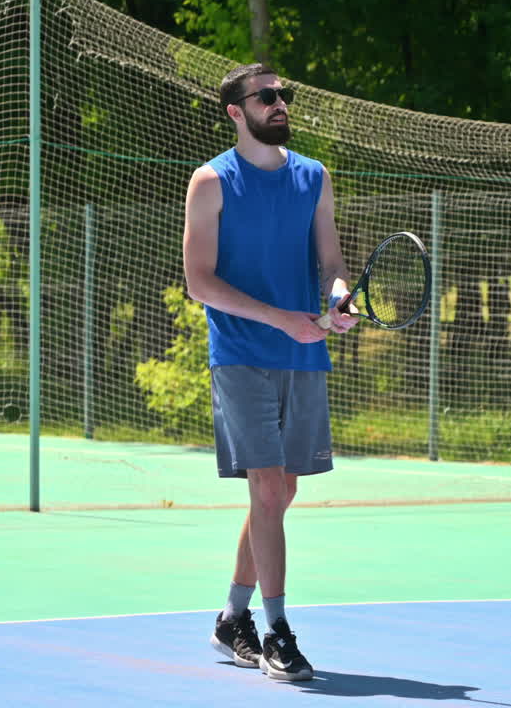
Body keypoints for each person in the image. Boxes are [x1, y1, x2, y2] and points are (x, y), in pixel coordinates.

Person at [183, 63, 358, 682]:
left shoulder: (314, 176)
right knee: (265, 489)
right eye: (268, 96)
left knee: (282, 491)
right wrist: (279, 319)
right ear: (237, 110)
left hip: (305, 353)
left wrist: (339, 300)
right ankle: (279, 631)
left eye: (285, 95)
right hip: (239, 353)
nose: (281, 103)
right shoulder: (211, 181)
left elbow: (332, 260)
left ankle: (232, 617)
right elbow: (198, 281)